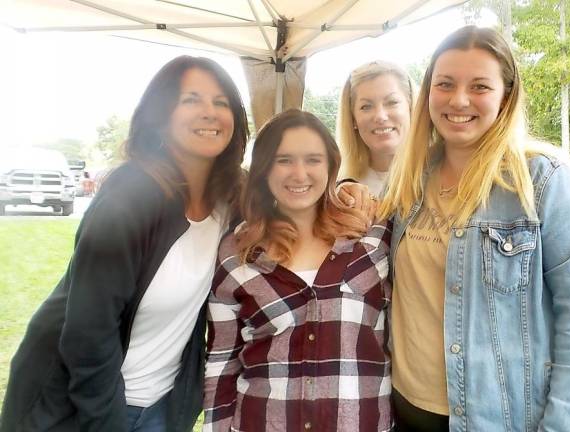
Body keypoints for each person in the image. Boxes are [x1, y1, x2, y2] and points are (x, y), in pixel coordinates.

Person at [377, 26, 570, 431]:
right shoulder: (408, 181)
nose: (459, 100)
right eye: (445, 84)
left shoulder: (544, 181)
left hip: (504, 420)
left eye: (480, 86)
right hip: (406, 412)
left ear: (506, 96)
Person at [0, 55, 249, 432]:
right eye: (191, 99)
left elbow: (295, 195)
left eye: (221, 102)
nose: (209, 112)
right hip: (77, 408)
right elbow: (88, 331)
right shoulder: (130, 195)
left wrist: (347, 194)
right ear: (161, 114)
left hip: (162, 406)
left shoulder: (230, 199)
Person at [203, 109, 393, 432]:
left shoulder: (373, 238)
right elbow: (222, 361)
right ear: (263, 169)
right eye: (284, 160)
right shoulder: (237, 252)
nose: (299, 173)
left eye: (313, 160)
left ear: (332, 166)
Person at [337, 60, 414, 196]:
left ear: (411, 107)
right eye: (366, 107)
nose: (380, 116)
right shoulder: (341, 191)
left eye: (392, 102)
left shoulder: (442, 177)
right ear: (353, 118)